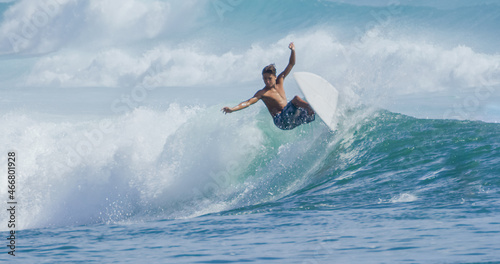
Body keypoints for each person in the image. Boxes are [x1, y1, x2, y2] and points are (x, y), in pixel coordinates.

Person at [222, 42, 315, 130]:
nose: (267, 81)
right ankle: (311, 107)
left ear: (275, 77)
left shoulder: (280, 80)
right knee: (296, 99)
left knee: (312, 115)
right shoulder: (263, 93)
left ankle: (315, 113)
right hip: (281, 121)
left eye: (269, 78)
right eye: (264, 79)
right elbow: (248, 102)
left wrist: (293, 50)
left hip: (291, 120)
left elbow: (291, 64)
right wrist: (232, 109)